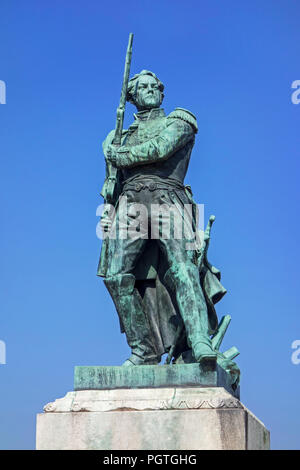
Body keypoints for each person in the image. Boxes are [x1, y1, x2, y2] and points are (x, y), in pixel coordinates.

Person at [98, 70, 222, 366]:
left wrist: (119, 155)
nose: (151, 89)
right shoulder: (118, 137)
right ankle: (143, 350)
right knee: (116, 277)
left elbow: (161, 148)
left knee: (183, 269)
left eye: (155, 86)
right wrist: (107, 205)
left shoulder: (179, 121)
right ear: (132, 97)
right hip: (130, 205)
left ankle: (200, 341)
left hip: (170, 199)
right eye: (143, 87)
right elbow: (110, 184)